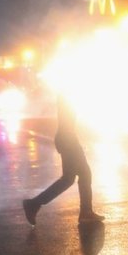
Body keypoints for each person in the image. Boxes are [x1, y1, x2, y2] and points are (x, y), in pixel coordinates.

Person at [22, 96, 104, 225]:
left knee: (71, 178)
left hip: (67, 137)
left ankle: (35, 204)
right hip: (68, 139)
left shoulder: (67, 93)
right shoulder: (68, 93)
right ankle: (85, 212)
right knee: (79, 175)